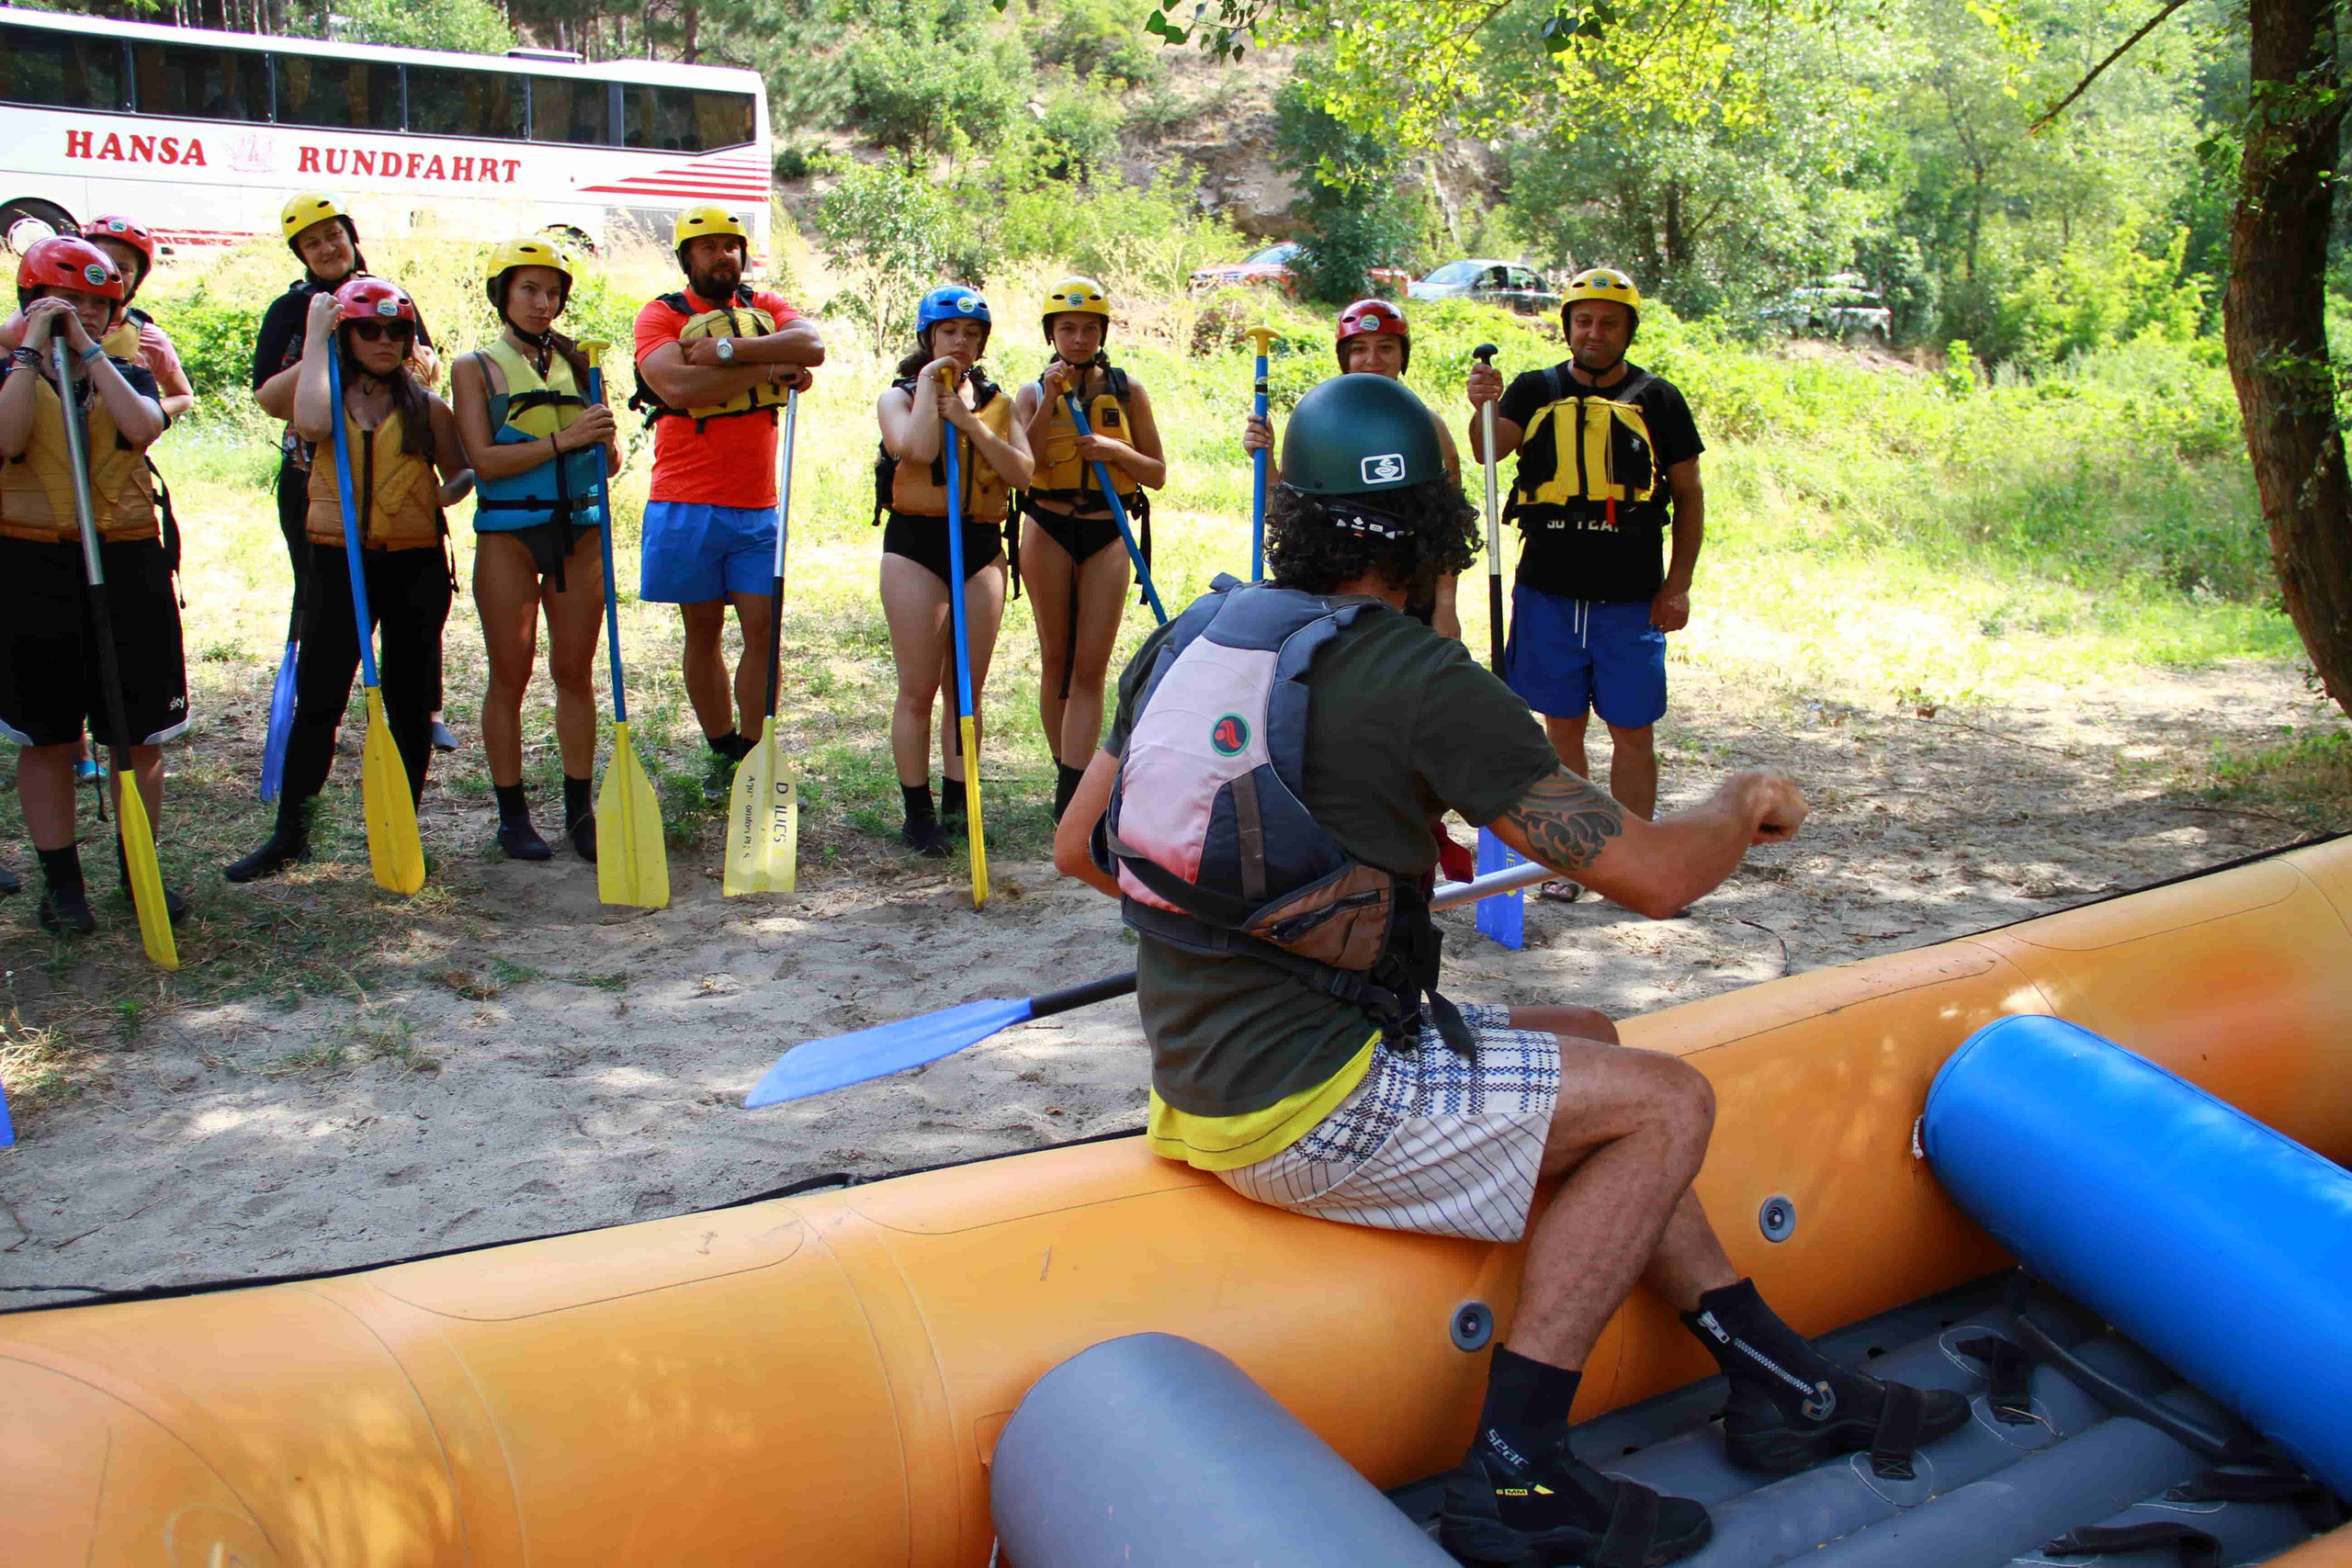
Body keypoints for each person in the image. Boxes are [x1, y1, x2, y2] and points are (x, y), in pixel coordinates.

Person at [1055, 373, 1965, 1568]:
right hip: (1313, 1102)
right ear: (1441, 530)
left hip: (1201, 1070)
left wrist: (1265, 920)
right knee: (1669, 1103)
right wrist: (1740, 805)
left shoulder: (1190, 636)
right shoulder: (1421, 681)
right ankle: (1521, 1471)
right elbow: (1649, 875)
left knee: (1589, 1032)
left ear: (1296, 520)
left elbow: (1084, 847)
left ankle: (1771, 1376)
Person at [1467, 266, 1705, 903]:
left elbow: (1687, 495)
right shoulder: (1532, 388)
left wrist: (1677, 586)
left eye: (1608, 322)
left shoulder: (1659, 399)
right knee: (1561, 724)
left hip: (1631, 595)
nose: (1594, 332)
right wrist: (1482, 407)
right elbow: (1489, 452)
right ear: (1567, 326)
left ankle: (1637, 861)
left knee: (1633, 731)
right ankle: (1574, 859)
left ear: (1627, 330)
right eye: (1583, 320)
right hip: (1548, 588)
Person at [223, 279, 472, 882]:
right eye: (368, 330)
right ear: (345, 336)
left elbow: (461, 469)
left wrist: (435, 496)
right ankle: (291, 835)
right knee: (321, 700)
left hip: (414, 567)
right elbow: (307, 423)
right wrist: (314, 334)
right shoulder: (323, 390)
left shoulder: (426, 405)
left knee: (409, 703)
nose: (384, 342)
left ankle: (400, 828)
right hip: (338, 564)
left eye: (396, 332)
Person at [0, 239, 184, 935]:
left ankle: (142, 870)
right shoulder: (5, 371)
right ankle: (64, 884)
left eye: (97, 305)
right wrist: (28, 355)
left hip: (127, 562)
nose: (79, 314)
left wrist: (90, 349)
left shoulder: (130, 374)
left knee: (137, 735)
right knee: (47, 736)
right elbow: (9, 438)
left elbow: (141, 429)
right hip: (34, 565)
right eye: (64, 301)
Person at [251, 193, 458, 756]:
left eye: (333, 235)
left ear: (351, 236)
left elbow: (425, 365)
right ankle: (324, 711)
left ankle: (424, 709)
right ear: (299, 252)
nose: (326, 248)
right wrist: (326, 342)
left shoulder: (391, 297)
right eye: (312, 242)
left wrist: (376, 337)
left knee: (412, 610)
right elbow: (272, 398)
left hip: (396, 472)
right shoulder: (290, 311)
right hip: (316, 476)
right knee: (324, 597)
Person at [629, 204, 823, 802]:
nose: (723, 257)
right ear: (688, 256)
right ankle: (724, 749)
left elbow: (811, 346)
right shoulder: (661, 313)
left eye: (731, 246)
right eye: (709, 247)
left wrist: (726, 353)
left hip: (757, 505)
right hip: (685, 498)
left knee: (764, 629)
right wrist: (770, 365)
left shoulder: (765, 307)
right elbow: (675, 386)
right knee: (704, 630)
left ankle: (756, 746)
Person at [452, 237, 620, 863]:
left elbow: (608, 461)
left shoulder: (581, 364)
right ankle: (513, 815)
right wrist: (566, 438)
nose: (542, 302)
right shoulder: (475, 367)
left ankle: (581, 812)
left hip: (579, 531)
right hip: (510, 534)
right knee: (511, 674)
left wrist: (603, 443)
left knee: (574, 674)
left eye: (552, 292)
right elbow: (485, 462)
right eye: (529, 289)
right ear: (504, 294)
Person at [874, 288, 1035, 855]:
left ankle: (959, 801)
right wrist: (927, 389)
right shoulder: (895, 396)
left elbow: (1022, 475)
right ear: (928, 338)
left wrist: (970, 424)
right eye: (948, 333)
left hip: (981, 546)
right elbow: (914, 451)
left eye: (970, 334)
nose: (960, 342)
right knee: (918, 689)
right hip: (916, 546)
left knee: (966, 690)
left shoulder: (996, 402)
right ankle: (917, 813)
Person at [1011, 276, 1168, 821]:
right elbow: (1020, 469)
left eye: (1087, 329)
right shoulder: (1032, 392)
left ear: (1102, 333)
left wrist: (1111, 448)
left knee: (1090, 666)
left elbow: (1157, 473)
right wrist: (1049, 403)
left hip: (1108, 530)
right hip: (1048, 526)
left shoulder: (1128, 393)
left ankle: (1075, 789)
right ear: (1052, 333)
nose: (1077, 338)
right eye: (1066, 328)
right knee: (1057, 658)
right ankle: (1066, 771)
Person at [1244, 298, 1463, 639]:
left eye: (1385, 347)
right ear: (1344, 357)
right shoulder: (1319, 423)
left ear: (1402, 355)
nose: (1372, 360)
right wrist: (1268, 457)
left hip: (1406, 589)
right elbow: (1285, 511)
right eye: (1360, 348)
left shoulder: (1426, 426)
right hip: (1329, 588)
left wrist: (1445, 606)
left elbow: (1447, 523)